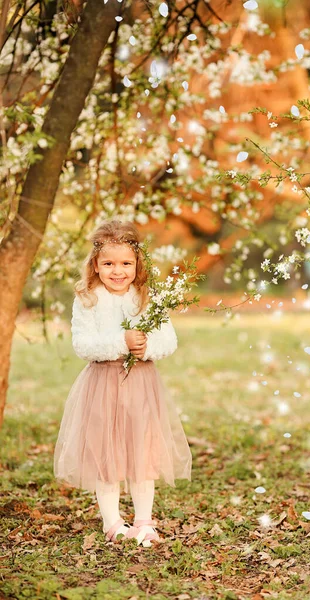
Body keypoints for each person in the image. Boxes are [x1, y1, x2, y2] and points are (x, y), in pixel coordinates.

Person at [53, 219, 192, 547]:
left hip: (141, 384)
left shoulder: (146, 296)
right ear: (96, 265)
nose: (118, 271)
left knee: (143, 454)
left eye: (126, 263)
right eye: (109, 264)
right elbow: (82, 345)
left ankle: (144, 522)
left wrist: (147, 347)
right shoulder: (88, 298)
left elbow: (168, 339)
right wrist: (121, 342)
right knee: (107, 456)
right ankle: (113, 523)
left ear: (137, 263)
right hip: (103, 385)